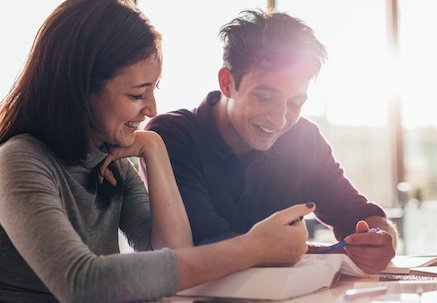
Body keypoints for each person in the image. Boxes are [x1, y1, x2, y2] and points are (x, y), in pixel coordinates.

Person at [0, 1, 315, 302]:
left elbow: (171, 254)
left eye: (155, 90)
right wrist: (252, 248)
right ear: (81, 88)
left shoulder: (113, 160)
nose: (151, 108)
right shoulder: (19, 160)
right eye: (137, 94)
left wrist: (154, 148)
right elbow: (82, 283)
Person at [143, 9, 398, 274]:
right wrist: (306, 250)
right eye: (265, 97)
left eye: (296, 103)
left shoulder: (303, 138)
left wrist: (380, 238)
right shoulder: (172, 137)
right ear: (227, 83)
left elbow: (359, 213)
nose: (280, 119)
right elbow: (199, 246)